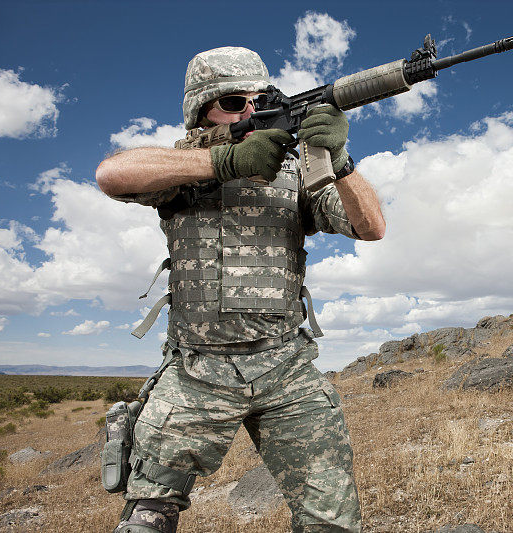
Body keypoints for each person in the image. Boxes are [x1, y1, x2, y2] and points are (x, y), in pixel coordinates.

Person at [95, 46, 385, 533]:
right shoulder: (183, 165)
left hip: (286, 370)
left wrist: (341, 160)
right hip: (197, 371)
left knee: (332, 520)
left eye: (261, 99)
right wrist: (224, 162)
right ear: (201, 110)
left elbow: (371, 226)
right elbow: (112, 174)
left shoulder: (296, 170)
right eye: (234, 103)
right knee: (147, 518)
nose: (251, 111)